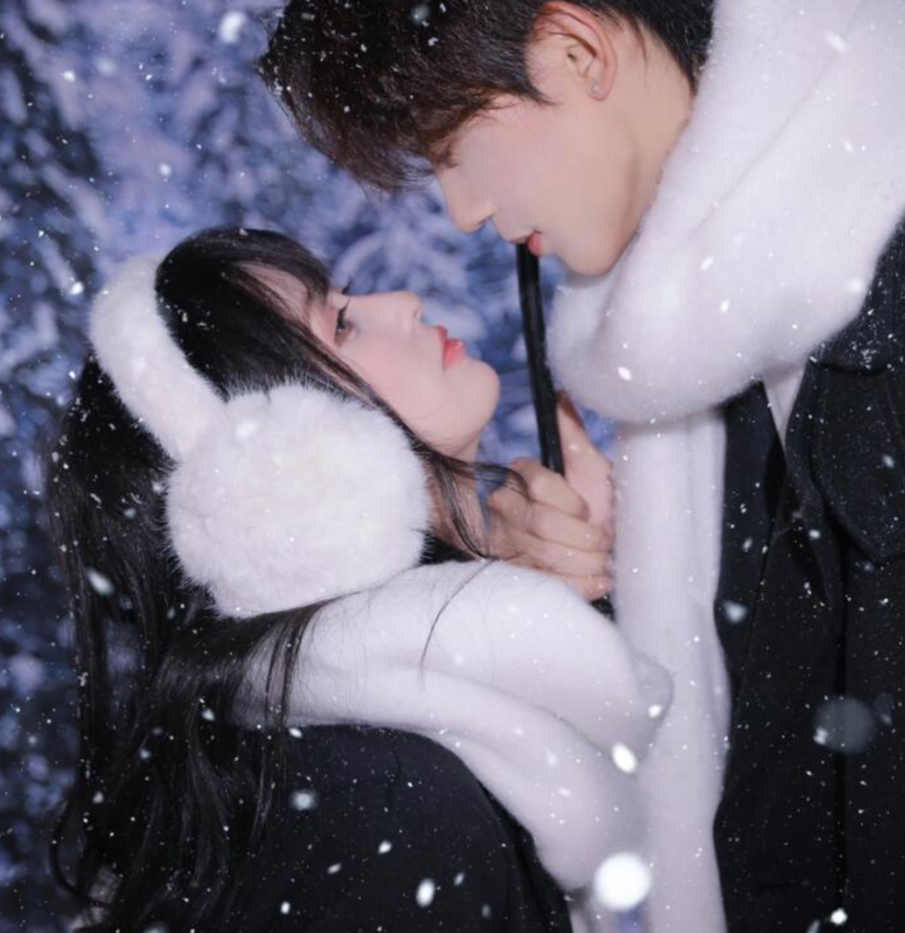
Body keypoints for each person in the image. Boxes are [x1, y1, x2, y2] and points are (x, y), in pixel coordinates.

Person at [259, 1, 905, 931]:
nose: (464, 213)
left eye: (453, 148)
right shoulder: (716, 325)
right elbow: (793, 770)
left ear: (575, 53)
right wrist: (615, 579)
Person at [43, 227, 670, 932]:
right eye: (340, 323)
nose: (402, 301)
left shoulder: (348, 763)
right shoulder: (392, 813)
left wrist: (603, 577)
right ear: (279, 469)